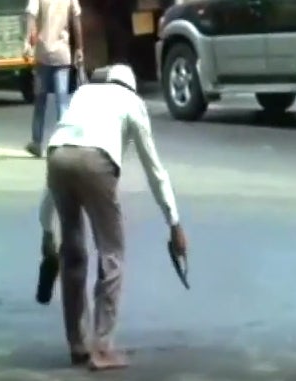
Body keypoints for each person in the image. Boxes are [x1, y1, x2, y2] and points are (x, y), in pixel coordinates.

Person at [41, 64, 188, 370]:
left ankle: (78, 345)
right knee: (112, 253)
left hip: (57, 157)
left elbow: (55, 171)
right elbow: (154, 170)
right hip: (96, 162)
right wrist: (174, 223)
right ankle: (103, 348)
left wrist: (46, 232)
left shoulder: (84, 93)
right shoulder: (132, 102)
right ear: (131, 86)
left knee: (73, 253)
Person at [24, 0, 84, 158]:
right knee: (62, 101)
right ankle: (64, 143)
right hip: (62, 54)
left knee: (40, 102)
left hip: (43, 54)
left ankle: (36, 142)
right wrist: (79, 48)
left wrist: (28, 42)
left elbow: (31, 15)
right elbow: (76, 20)